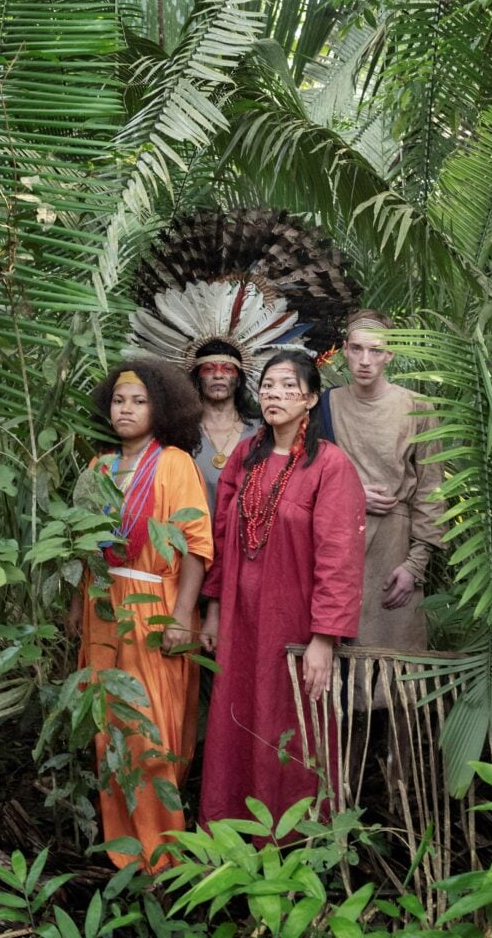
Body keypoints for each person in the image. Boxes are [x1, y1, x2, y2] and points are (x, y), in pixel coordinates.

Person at [198, 351, 365, 831]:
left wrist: (324, 639)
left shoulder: (330, 466)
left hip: (293, 623)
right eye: (268, 386)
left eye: (289, 387)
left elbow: (340, 559)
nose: (275, 394)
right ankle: (229, 833)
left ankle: (296, 842)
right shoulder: (244, 457)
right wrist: (212, 612)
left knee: (288, 726)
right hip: (239, 620)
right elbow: (223, 538)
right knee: (235, 720)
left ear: (311, 398)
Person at [69, 359, 213, 872]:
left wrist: (181, 617)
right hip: (101, 609)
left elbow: (197, 548)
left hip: (156, 608)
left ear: (162, 408)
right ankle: (123, 853)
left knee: (152, 734)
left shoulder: (175, 464)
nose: (125, 409)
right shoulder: (97, 469)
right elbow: (84, 548)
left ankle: (164, 857)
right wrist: (75, 609)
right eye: (118, 400)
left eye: (139, 401)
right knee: (109, 729)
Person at [320, 310, 444, 697]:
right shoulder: (324, 405)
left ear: (390, 354)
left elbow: (431, 489)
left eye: (376, 351)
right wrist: (351, 493)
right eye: (356, 349)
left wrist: (415, 565)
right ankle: (340, 756)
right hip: (335, 546)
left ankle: (403, 757)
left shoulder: (418, 408)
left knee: (398, 670)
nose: (365, 360)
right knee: (335, 663)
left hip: (393, 544)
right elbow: (303, 475)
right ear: (344, 351)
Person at [190, 339, 259, 517]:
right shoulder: (181, 434)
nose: (218, 375)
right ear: (198, 378)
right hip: (195, 540)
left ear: (238, 380)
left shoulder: (261, 432)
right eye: (209, 369)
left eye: (227, 369)